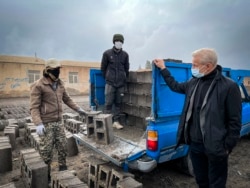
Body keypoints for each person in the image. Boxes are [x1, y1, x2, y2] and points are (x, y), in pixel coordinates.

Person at [154, 48, 242, 188]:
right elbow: (175, 86)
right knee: (201, 181)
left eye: (195, 65)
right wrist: (163, 69)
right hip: (195, 146)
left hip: (216, 148)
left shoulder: (229, 86)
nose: (192, 68)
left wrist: (227, 147)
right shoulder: (193, 83)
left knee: (216, 184)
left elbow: (235, 121)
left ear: (208, 66)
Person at [30, 58, 86, 181]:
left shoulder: (60, 84)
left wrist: (78, 109)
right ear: (48, 70)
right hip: (46, 123)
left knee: (62, 146)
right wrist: (38, 123)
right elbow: (34, 107)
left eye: (58, 70)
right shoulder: (38, 85)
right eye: (55, 70)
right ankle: (46, 176)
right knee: (47, 152)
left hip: (59, 122)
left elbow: (67, 99)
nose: (57, 72)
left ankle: (63, 169)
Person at [101, 34, 130, 129]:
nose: (119, 43)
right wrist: (108, 78)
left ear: (123, 42)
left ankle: (116, 122)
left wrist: (123, 79)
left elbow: (127, 69)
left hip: (120, 84)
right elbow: (103, 68)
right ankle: (107, 122)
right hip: (110, 83)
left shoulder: (125, 55)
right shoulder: (107, 53)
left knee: (118, 103)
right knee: (108, 103)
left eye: (121, 41)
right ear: (114, 42)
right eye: (117, 41)